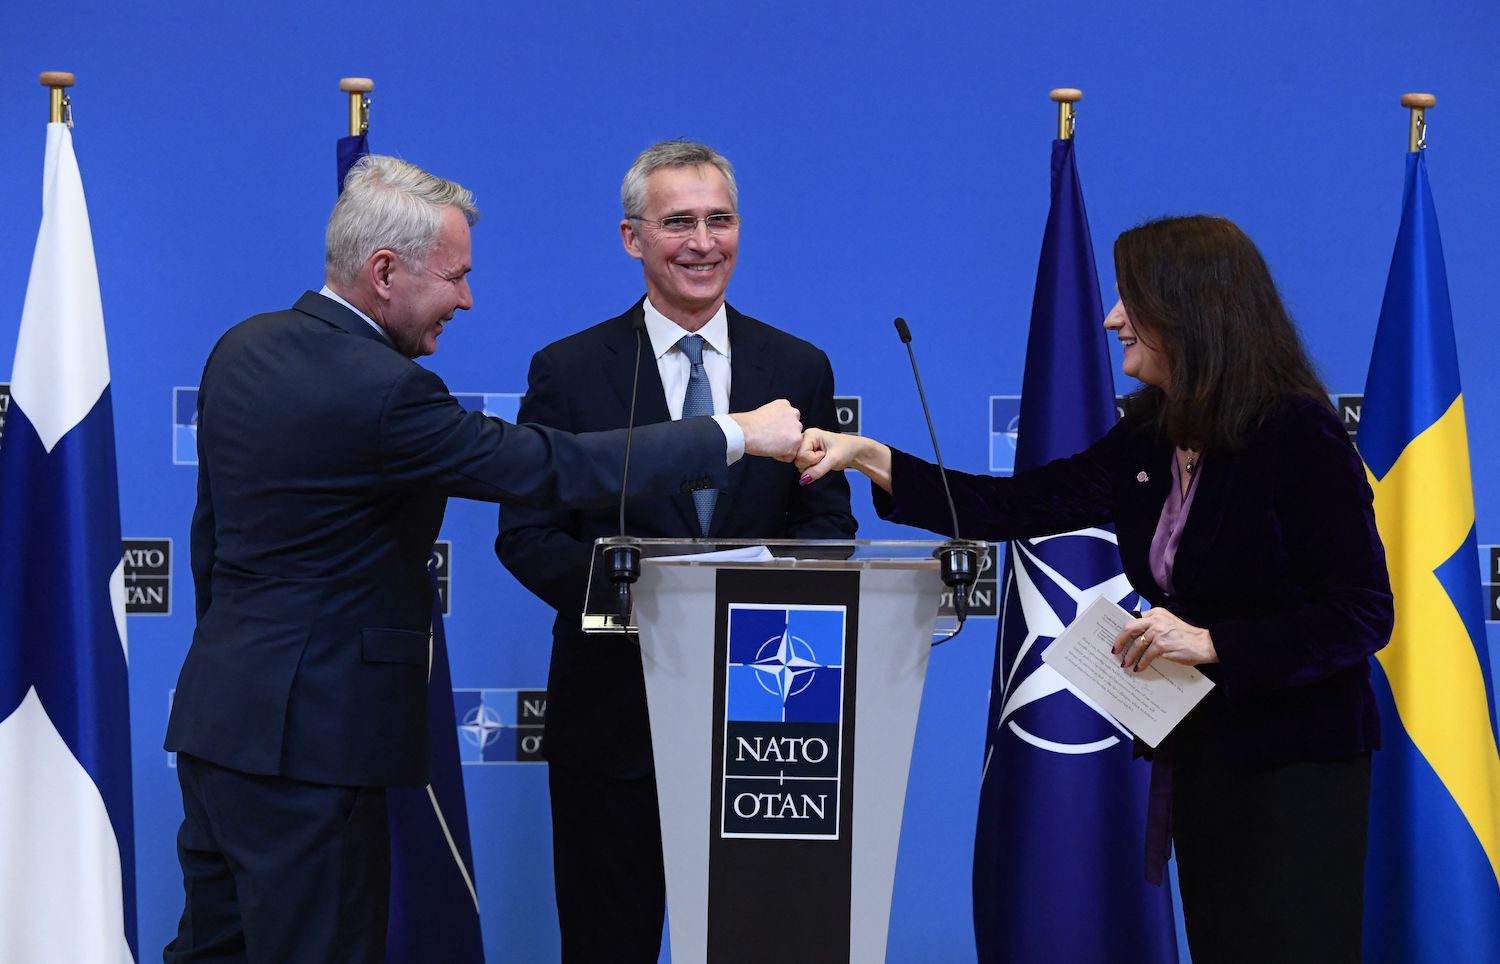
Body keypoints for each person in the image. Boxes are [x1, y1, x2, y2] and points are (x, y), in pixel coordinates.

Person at [162, 154, 804, 964]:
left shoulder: (242, 347)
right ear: (385, 272)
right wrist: (734, 434)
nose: (466, 300)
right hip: (320, 742)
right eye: (456, 277)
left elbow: (212, 542)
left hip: (220, 722)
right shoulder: (385, 391)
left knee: (212, 952)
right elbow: (550, 468)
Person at [797, 215, 1393, 963]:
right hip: (1203, 756)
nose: (1113, 319)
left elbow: (1360, 613)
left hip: (1295, 767)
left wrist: (1213, 642)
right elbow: (1015, 505)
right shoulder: (1153, 433)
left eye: (1131, 300)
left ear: (1191, 309)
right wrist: (867, 455)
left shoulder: (1297, 432)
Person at [495, 139, 857, 962]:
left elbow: (828, 526)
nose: (703, 243)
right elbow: (528, 536)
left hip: (767, 718)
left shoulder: (798, 366)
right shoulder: (569, 370)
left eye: (719, 220)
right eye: (678, 223)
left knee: (762, 945)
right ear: (633, 238)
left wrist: (759, 610)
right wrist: (649, 607)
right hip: (613, 717)